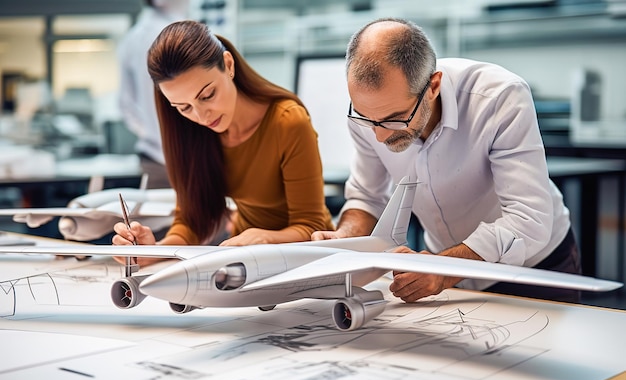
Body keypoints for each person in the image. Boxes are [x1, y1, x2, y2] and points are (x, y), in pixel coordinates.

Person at [312, 18, 582, 303]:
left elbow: (528, 219)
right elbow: (368, 196)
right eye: (368, 119)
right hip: (449, 270)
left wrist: (443, 269)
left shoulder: (499, 98)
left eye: (394, 120)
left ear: (433, 86)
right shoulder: (370, 113)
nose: (379, 136)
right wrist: (346, 236)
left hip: (533, 267)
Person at [113, 20, 334, 265]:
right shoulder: (192, 131)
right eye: (183, 107)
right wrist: (150, 253)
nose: (201, 116)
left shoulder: (287, 121)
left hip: (307, 260)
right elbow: (190, 222)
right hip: (244, 259)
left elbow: (311, 226)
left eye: (208, 95)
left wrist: (266, 239)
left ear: (228, 65)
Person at [117, 0, 190, 189]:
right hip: (184, 158)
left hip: (153, 157)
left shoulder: (132, 38)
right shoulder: (175, 34)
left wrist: (150, 133)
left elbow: (126, 106)